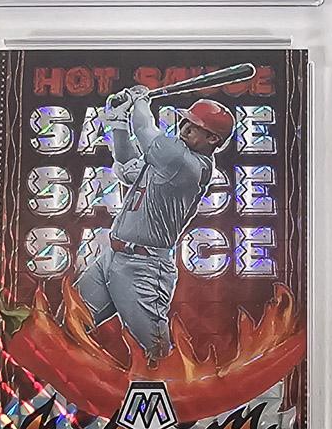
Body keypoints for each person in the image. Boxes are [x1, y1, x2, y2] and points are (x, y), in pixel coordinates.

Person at [74, 87, 234, 370]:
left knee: (157, 358)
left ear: (213, 139)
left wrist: (140, 100)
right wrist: (119, 122)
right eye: (185, 122)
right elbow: (127, 165)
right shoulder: (170, 159)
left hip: (144, 269)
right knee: (69, 323)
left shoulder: (186, 164)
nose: (185, 129)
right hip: (113, 257)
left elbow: (145, 129)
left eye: (195, 127)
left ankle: (178, 399)